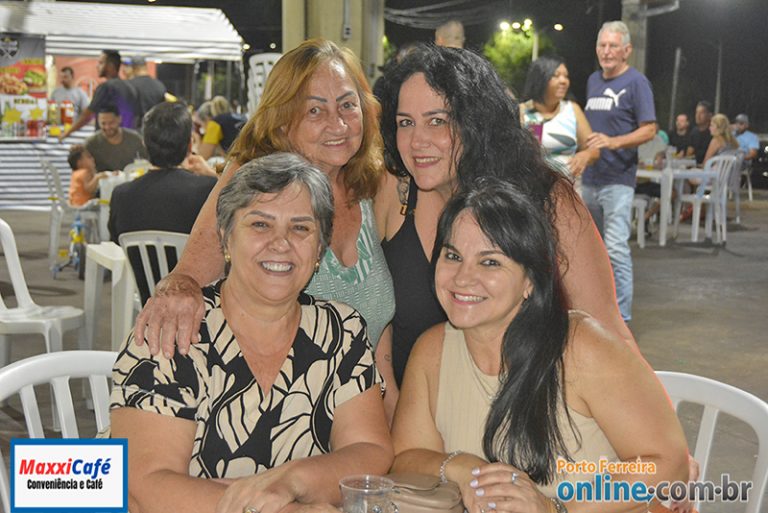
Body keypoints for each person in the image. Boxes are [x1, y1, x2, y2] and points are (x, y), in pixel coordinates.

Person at [110, 153, 393, 513]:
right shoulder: (174, 329)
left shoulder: (341, 330)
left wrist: (289, 481)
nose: (281, 243)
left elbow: (370, 450)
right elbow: (143, 485)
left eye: (301, 228)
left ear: (320, 248)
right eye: (260, 224)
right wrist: (285, 510)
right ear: (226, 238)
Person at [131, 38, 397, 417]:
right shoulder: (255, 185)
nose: (337, 123)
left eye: (347, 105)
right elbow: (187, 279)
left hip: (361, 413)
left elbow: (381, 340)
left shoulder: (373, 185)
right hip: (272, 416)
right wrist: (174, 297)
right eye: (315, 110)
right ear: (283, 121)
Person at [390, 179, 689, 513]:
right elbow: (405, 458)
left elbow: (668, 463)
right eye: (453, 256)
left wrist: (555, 508)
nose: (462, 278)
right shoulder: (432, 351)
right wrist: (466, 469)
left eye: (490, 262)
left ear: (530, 279)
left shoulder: (580, 347)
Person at [376, 44, 635, 389]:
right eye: (405, 123)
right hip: (412, 412)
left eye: (438, 121)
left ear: (477, 122)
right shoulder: (393, 190)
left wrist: (648, 416)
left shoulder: (545, 199)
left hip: (519, 409)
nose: (417, 140)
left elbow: (608, 331)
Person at [582, 20, 656, 323]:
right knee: (593, 251)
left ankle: (621, 320)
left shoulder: (637, 82)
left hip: (618, 181)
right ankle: (598, 312)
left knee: (615, 249)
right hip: (589, 179)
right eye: (602, 45)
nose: (607, 51)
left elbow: (649, 129)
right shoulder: (593, 81)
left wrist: (614, 142)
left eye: (613, 46)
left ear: (626, 50)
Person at [108, 102, 218, 304]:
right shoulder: (209, 191)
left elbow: (116, 241)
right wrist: (213, 176)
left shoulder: (121, 195)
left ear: (144, 143)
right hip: (203, 309)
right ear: (190, 145)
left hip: (150, 304)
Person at [520, 55, 599, 191]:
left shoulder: (572, 109)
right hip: (530, 191)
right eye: (556, 76)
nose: (563, 81)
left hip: (566, 191)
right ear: (540, 78)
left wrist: (585, 155)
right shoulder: (522, 111)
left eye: (566, 76)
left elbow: (594, 150)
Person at [60, 49, 139, 139]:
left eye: (101, 63)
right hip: (126, 141)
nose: (97, 66)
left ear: (110, 66)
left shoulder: (106, 87)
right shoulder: (130, 88)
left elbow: (88, 115)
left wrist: (66, 133)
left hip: (107, 141)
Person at [84, 104, 148, 172]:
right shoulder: (91, 143)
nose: (107, 127)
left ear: (119, 119)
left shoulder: (135, 139)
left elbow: (146, 162)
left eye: (111, 123)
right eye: (103, 123)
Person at [129, 56, 167, 130]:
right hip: (154, 130)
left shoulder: (129, 86)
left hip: (134, 130)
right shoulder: (159, 85)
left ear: (134, 68)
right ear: (145, 66)